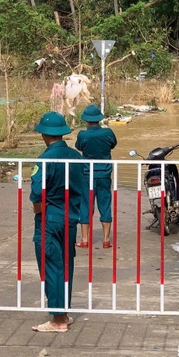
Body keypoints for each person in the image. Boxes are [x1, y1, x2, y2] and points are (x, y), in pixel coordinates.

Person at [30, 111, 85, 333]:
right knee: (65, 267)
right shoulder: (76, 157)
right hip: (70, 218)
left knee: (51, 267)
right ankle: (63, 312)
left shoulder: (44, 159)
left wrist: (38, 211)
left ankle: (58, 319)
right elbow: (82, 188)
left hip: (49, 219)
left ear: (44, 134)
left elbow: (36, 193)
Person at [74, 105, 118, 249]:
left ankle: (85, 239)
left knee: (86, 205)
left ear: (86, 120)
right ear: (99, 119)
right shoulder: (108, 133)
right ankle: (106, 240)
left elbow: (79, 147)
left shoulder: (82, 135)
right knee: (105, 205)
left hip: (87, 174)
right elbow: (113, 145)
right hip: (104, 174)